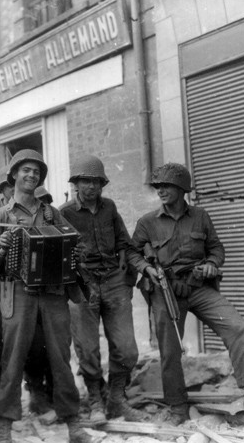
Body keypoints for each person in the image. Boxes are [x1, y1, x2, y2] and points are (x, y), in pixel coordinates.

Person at [131, 163, 244, 426]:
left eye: (166, 186)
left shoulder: (201, 216)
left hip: (198, 288)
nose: (160, 190)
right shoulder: (147, 222)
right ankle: (177, 407)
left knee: (239, 328)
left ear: (182, 189)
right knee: (170, 348)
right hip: (166, 291)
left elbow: (216, 248)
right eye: (158, 186)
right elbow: (131, 252)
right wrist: (147, 268)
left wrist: (212, 264)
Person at [0, 149, 91, 443]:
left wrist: (73, 254)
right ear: (13, 175)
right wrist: (1, 249)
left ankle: (73, 423)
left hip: (53, 294)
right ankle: (5, 426)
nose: (31, 175)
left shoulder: (53, 213)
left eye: (36, 172)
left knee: (61, 358)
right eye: (25, 170)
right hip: (17, 293)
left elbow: (75, 247)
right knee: (12, 359)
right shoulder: (2, 215)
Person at [59, 155, 149, 425]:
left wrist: (133, 268)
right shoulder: (64, 213)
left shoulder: (109, 208)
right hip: (82, 286)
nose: (91, 187)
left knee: (128, 349)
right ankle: (96, 399)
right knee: (87, 349)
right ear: (76, 184)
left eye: (96, 182)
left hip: (113, 282)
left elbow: (125, 243)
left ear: (102, 185)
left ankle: (117, 399)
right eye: (86, 181)